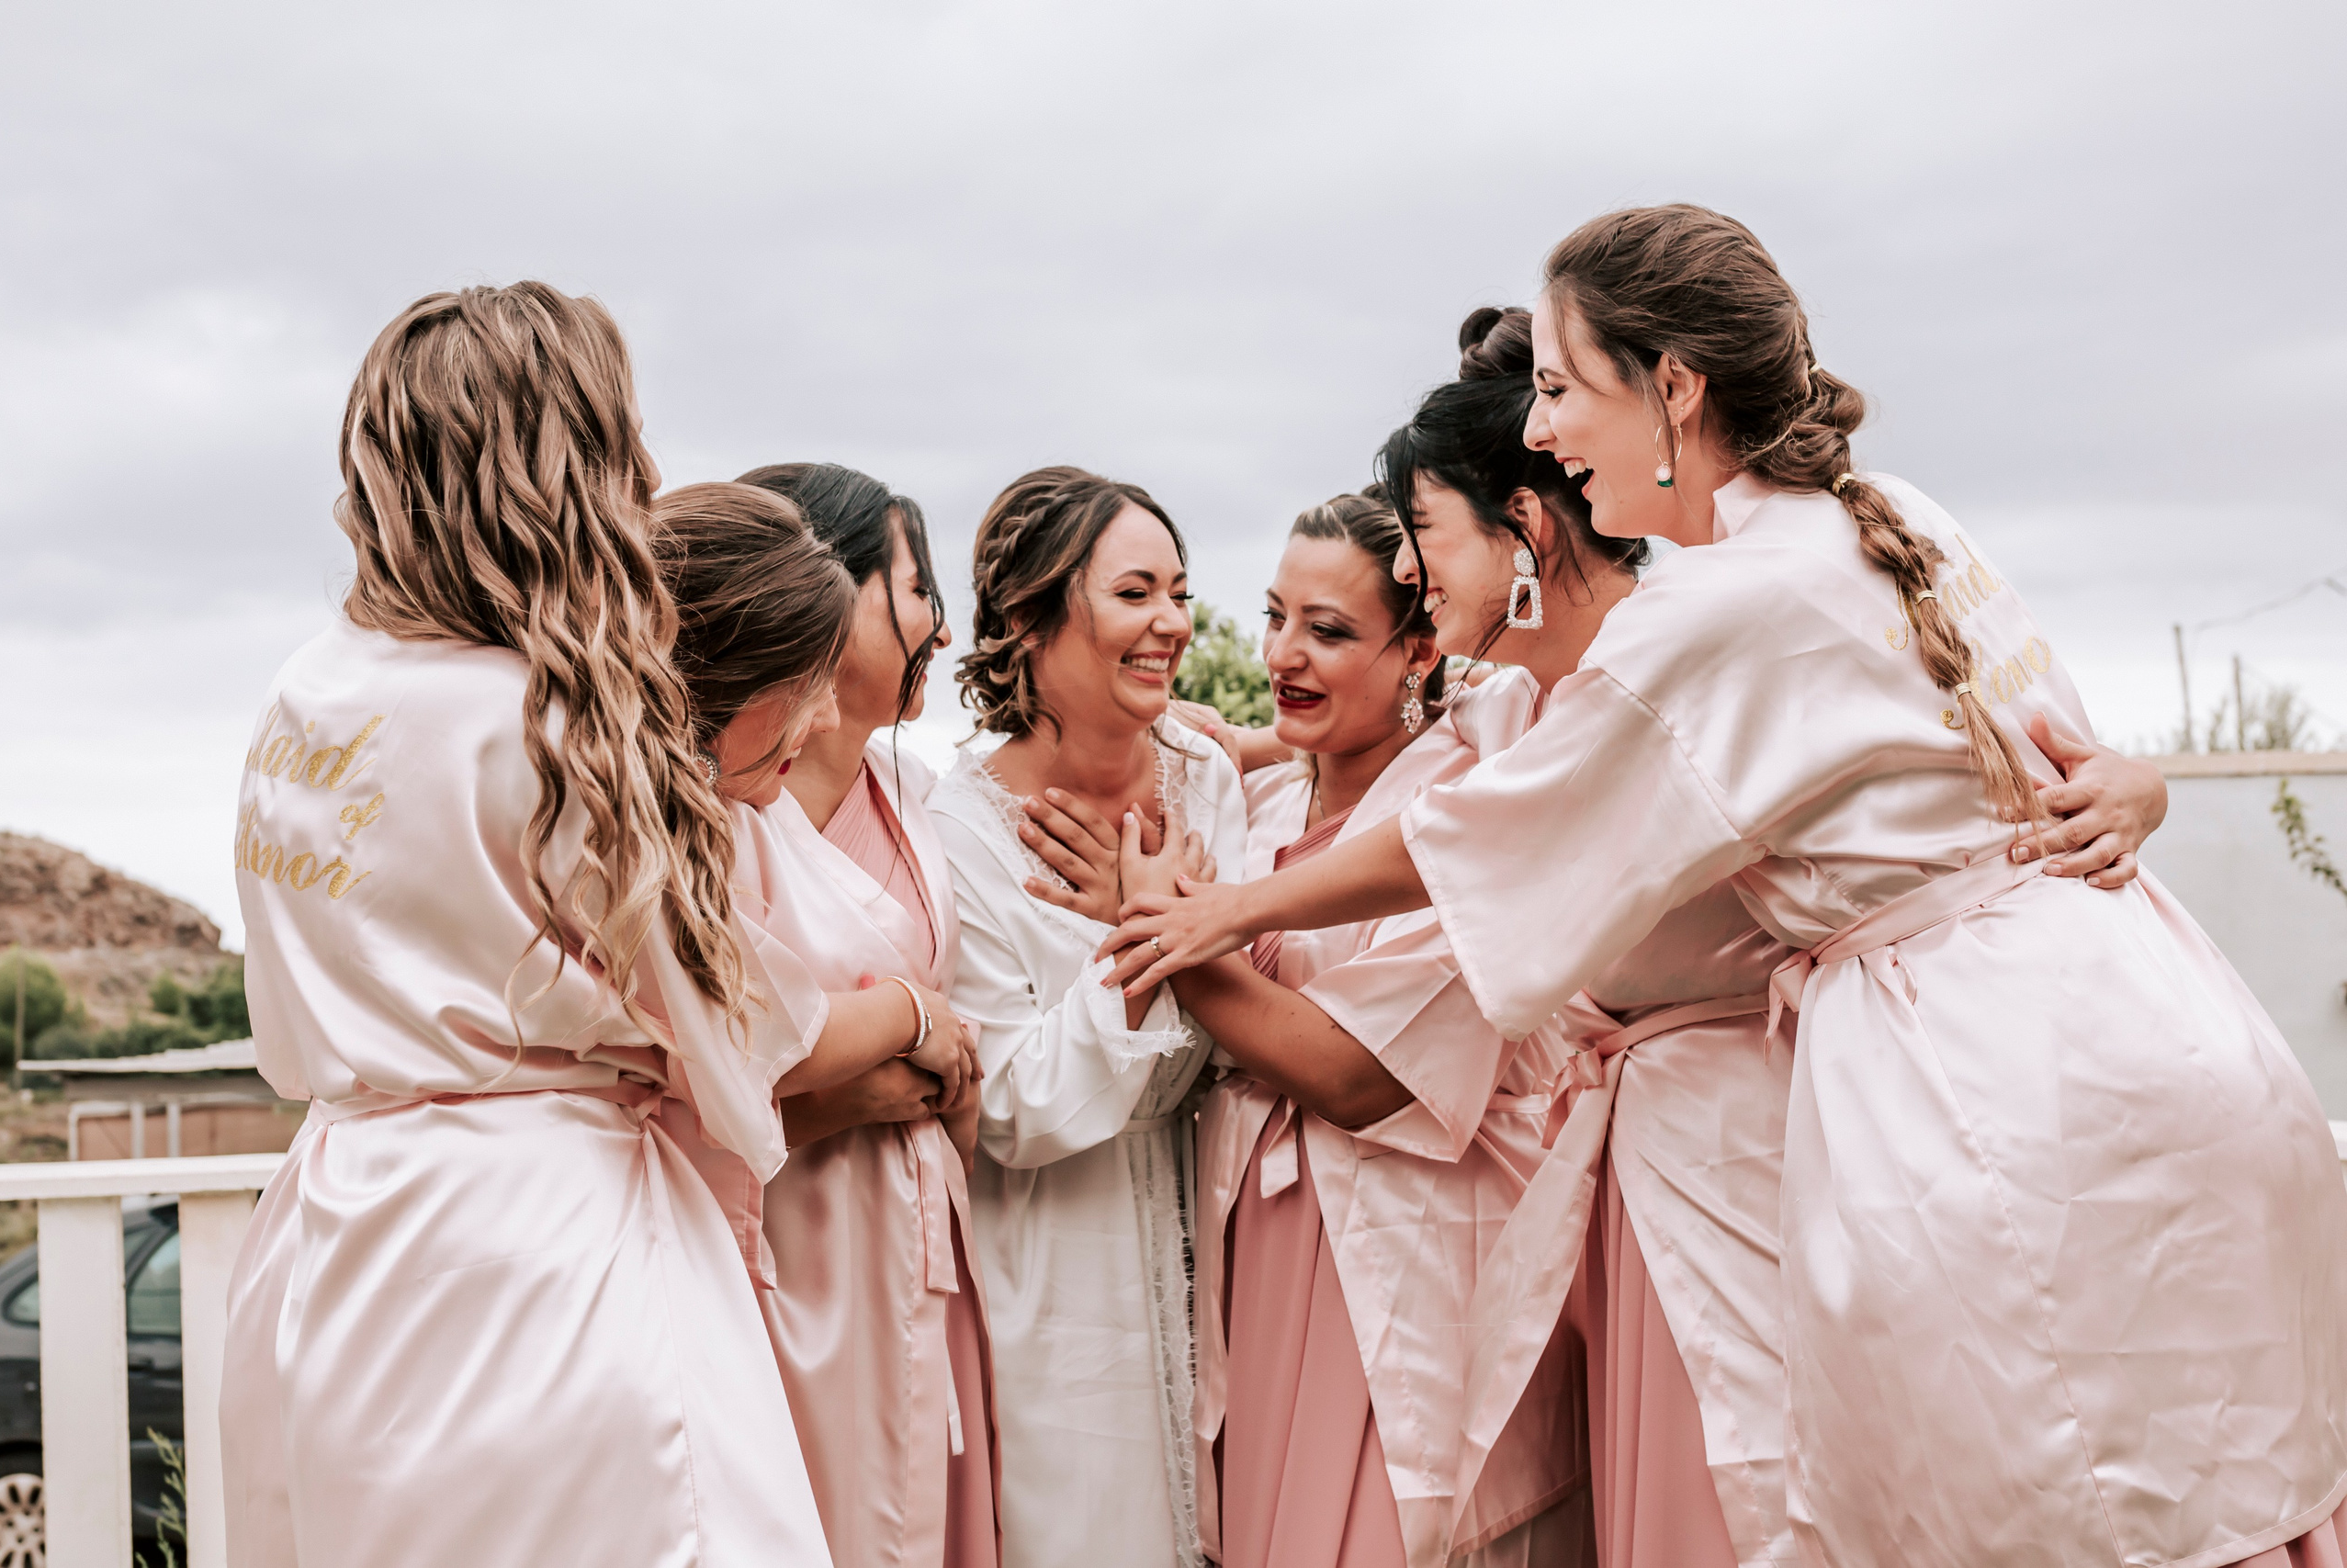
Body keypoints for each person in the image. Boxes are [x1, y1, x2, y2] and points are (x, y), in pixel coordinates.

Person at [1104, 207, 2347, 1568]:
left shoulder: (1715, 606)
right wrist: (2138, 781)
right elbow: (2053, 755)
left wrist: (1225, 909)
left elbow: (1486, 834)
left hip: (1982, 1090)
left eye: (1567, 390)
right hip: (2148, 1018)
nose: (1544, 429)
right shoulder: (1891, 520)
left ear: (1675, 390)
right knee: (2191, 1485)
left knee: (2040, 1499)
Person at [223, 286, 848, 1567]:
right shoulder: (569, 718)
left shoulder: (303, 690)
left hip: (336, 1232)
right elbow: (730, 1058)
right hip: (548, 1256)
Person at [1162, 492, 1609, 1568]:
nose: (1281, 655)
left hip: (1406, 1250)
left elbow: (1362, 1078)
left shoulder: (1467, 808)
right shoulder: (1253, 819)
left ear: (1417, 649)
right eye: (1274, 617)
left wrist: (1168, 939)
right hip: (1257, 1246)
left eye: (1328, 631)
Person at [925, 466, 1247, 1568]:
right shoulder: (958, 829)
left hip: (1226, 1233)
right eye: (1133, 594)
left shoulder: (1207, 780)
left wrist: (1148, 930)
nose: (1170, 623)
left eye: (1178, 590)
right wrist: (1152, 944)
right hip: (1059, 1263)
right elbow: (1008, 1103)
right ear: (1028, 618)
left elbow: (1247, 1008)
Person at [724, 461, 1001, 1568]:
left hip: (925, 1239)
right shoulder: (729, 811)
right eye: (914, 584)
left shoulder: (917, 798)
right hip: (786, 1239)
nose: (937, 619)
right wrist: (885, 1061)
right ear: (820, 594)